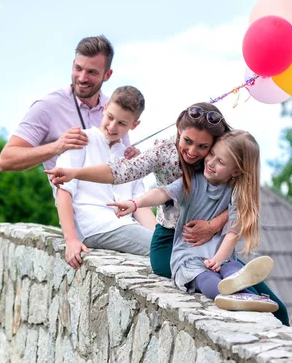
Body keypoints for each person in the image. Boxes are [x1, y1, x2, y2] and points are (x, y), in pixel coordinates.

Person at [45, 105, 290, 324]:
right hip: (172, 245)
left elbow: (242, 206)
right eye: (187, 141)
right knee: (224, 282)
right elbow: (124, 172)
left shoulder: (223, 159)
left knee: (278, 309)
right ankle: (232, 293)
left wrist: (214, 225)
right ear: (178, 132)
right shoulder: (166, 153)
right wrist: (76, 173)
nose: (193, 152)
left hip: (213, 245)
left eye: (203, 146)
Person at [108, 130, 279, 312]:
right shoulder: (191, 182)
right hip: (188, 256)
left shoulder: (236, 192)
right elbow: (163, 193)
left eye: (220, 162)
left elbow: (233, 232)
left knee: (232, 270)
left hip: (221, 256)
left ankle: (243, 294)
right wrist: (135, 203)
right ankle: (229, 296)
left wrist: (218, 260)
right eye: (212, 154)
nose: (211, 162)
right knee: (205, 278)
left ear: (236, 171)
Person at [0, 35, 137, 174]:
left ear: (107, 75)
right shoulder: (47, 107)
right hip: (69, 195)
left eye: (91, 72)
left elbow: (123, 163)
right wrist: (56, 147)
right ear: (72, 64)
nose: (82, 78)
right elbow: (5, 160)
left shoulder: (115, 109)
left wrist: (134, 157)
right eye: (78, 68)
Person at [55, 86, 155, 270]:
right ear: (105, 107)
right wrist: (71, 240)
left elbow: (140, 205)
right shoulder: (81, 140)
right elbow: (64, 191)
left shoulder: (129, 157)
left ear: (134, 125)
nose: (112, 126)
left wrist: (160, 234)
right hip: (95, 226)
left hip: (123, 225)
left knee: (169, 243)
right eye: (110, 117)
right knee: (161, 249)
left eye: (122, 123)